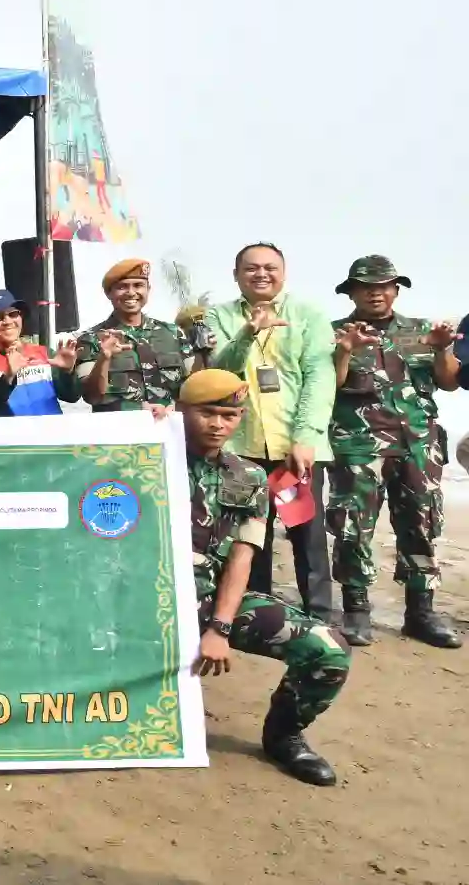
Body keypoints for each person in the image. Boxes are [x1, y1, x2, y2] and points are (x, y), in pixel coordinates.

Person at [180, 368, 352, 787]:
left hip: (211, 598)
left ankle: (284, 736)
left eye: (230, 414)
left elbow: (242, 554)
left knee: (328, 649)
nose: (219, 424)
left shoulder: (250, 476)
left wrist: (219, 627)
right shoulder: (142, 455)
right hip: (138, 602)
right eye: (207, 413)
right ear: (182, 410)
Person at [325, 255, 461, 649]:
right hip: (358, 445)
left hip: (418, 444)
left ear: (396, 290)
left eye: (384, 285)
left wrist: (440, 350)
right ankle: (356, 611)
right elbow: (326, 385)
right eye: (366, 286)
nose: (376, 292)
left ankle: (421, 612)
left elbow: (449, 383)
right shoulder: (334, 333)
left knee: (422, 524)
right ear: (351, 292)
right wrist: (345, 351)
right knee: (353, 527)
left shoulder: (421, 330)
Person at [201, 244, 338, 623]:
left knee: (306, 534)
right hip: (240, 447)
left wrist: (306, 435)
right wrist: (246, 335)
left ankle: (320, 616)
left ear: (284, 272)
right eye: (251, 268)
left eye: (270, 267)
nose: (261, 274)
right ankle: (257, 613)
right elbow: (219, 373)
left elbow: (320, 378)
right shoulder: (219, 316)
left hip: (295, 447)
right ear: (236, 274)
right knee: (249, 535)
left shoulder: (308, 315)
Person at [74, 259, 196, 413]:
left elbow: (195, 385)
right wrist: (104, 358)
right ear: (108, 293)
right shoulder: (90, 339)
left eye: (138, 285)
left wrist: (202, 351)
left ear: (148, 289)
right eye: (122, 287)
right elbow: (92, 396)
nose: (131, 292)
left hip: (170, 429)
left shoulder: (173, 333)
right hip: (119, 432)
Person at [0, 289, 78, 418]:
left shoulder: (45, 352)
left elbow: (72, 397)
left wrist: (68, 372)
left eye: (13, 314)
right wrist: (8, 376)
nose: (7, 321)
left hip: (51, 436)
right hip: (10, 437)